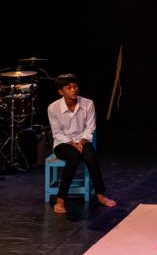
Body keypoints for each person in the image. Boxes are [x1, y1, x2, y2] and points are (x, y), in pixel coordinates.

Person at [47, 74, 116, 214]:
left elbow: (90, 127)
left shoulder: (88, 103)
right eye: (69, 87)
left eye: (75, 86)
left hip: (83, 139)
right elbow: (57, 133)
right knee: (74, 158)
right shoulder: (53, 108)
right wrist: (73, 144)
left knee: (91, 157)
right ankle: (60, 199)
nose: (73, 90)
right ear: (61, 92)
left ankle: (101, 195)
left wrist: (82, 142)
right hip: (63, 143)